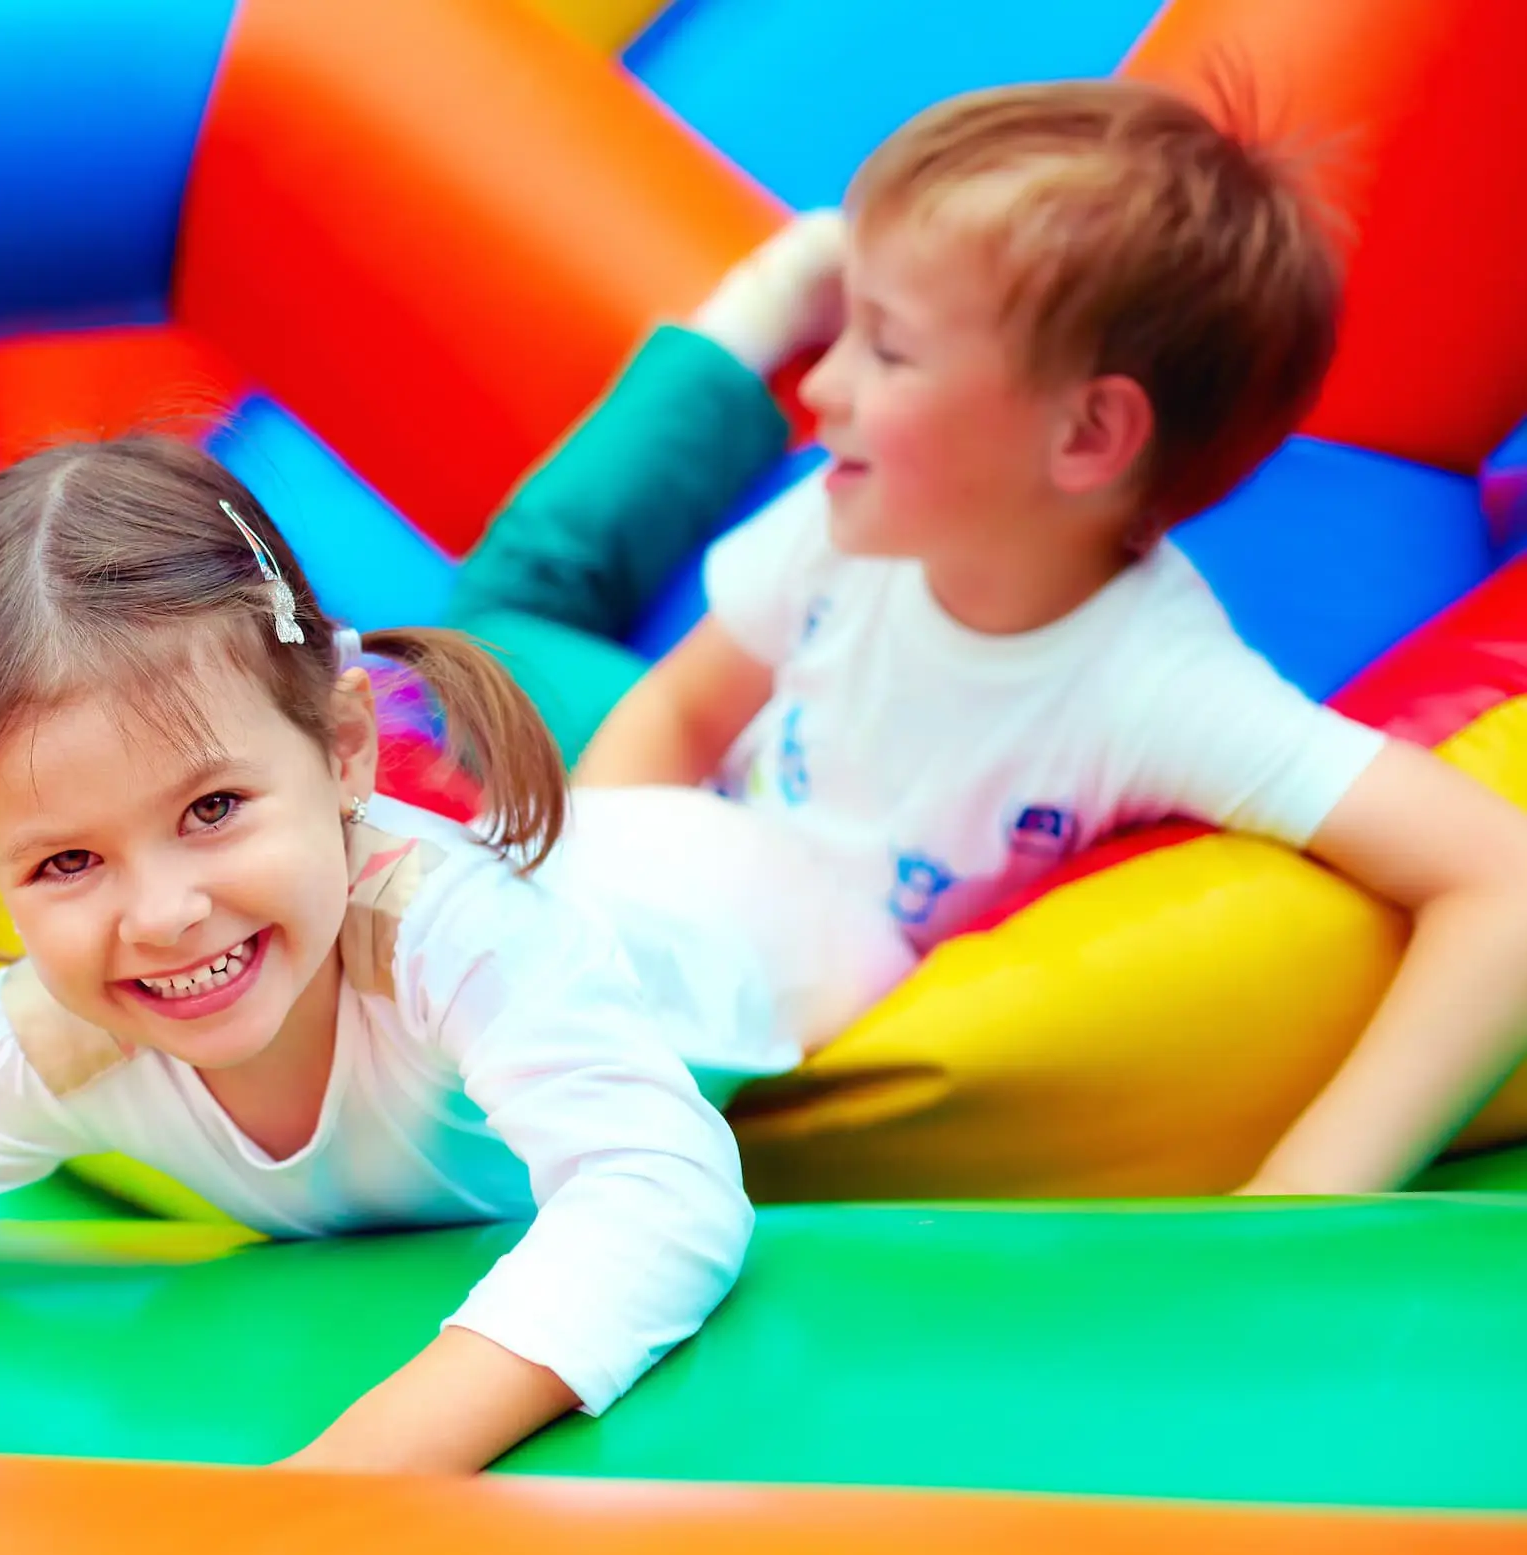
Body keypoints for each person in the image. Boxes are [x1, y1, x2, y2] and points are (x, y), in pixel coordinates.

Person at [448, 79, 1527, 1195]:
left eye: (889, 349)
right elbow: (679, 711)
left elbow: (1506, 885)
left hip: (797, 944)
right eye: (848, 334)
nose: (825, 387)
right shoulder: (852, 517)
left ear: (1090, 433)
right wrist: (589, 887)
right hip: (724, 836)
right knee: (494, 625)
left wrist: (1304, 1194)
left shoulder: (1155, 688)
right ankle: (755, 317)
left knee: (494, 626)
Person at [0, 436, 780, 1472]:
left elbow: (659, 1189)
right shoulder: (61, 1032)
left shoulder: (448, 934)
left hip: (734, 901)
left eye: (212, 808)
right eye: (66, 863)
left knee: (573, 645)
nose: (162, 915)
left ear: (346, 750)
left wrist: (330, 1488)